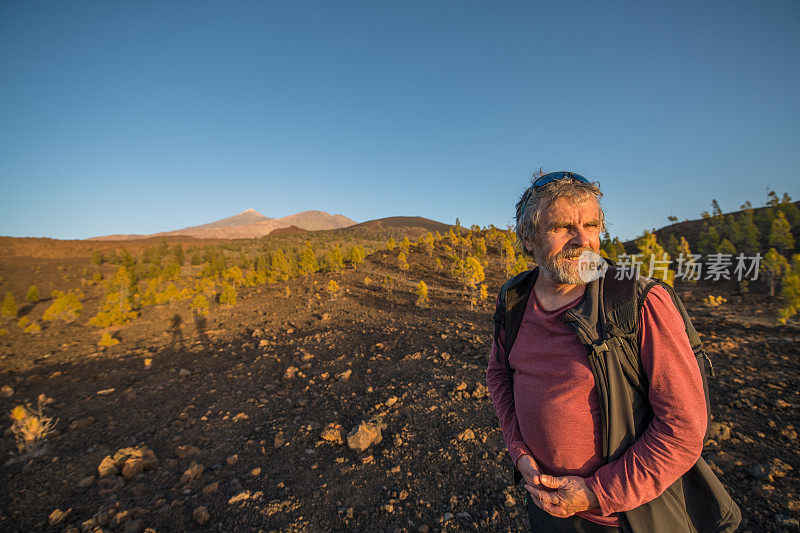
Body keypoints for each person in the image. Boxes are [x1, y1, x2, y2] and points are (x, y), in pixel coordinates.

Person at [486, 171, 739, 532]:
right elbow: (498, 375)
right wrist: (518, 451)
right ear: (528, 237)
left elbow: (683, 428)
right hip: (543, 505)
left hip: (621, 519)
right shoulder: (515, 297)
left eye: (591, 225)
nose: (582, 240)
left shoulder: (636, 298)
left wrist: (595, 493)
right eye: (561, 227)